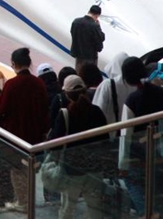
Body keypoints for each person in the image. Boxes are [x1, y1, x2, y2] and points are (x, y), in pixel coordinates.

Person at [118, 56, 163, 217]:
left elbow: (126, 135)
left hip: (140, 156)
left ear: (127, 78)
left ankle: (146, 212)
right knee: (158, 186)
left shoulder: (131, 101)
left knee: (133, 183)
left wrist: (122, 164)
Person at [0, 47, 50, 212]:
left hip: (15, 134)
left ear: (13, 64)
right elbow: (45, 108)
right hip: (36, 134)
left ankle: (23, 202)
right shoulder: (39, 83)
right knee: (29, 168)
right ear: (29, 63)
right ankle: (27, 199)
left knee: (17, 169)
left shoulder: (11, 84)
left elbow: (2, 108)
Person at [48, 75, 109, 219]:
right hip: (95, 167)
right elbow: (105, 139)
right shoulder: (97, 111)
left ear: (67, 95)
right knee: (95, 208)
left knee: (67, 208)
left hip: (71, 169)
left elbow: (54, 142)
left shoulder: (65, 114)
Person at [92, 54, 137, 129]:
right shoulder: (136, 85)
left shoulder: (107, 85)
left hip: (110, 133)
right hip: (131, 131)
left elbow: (97, 111)